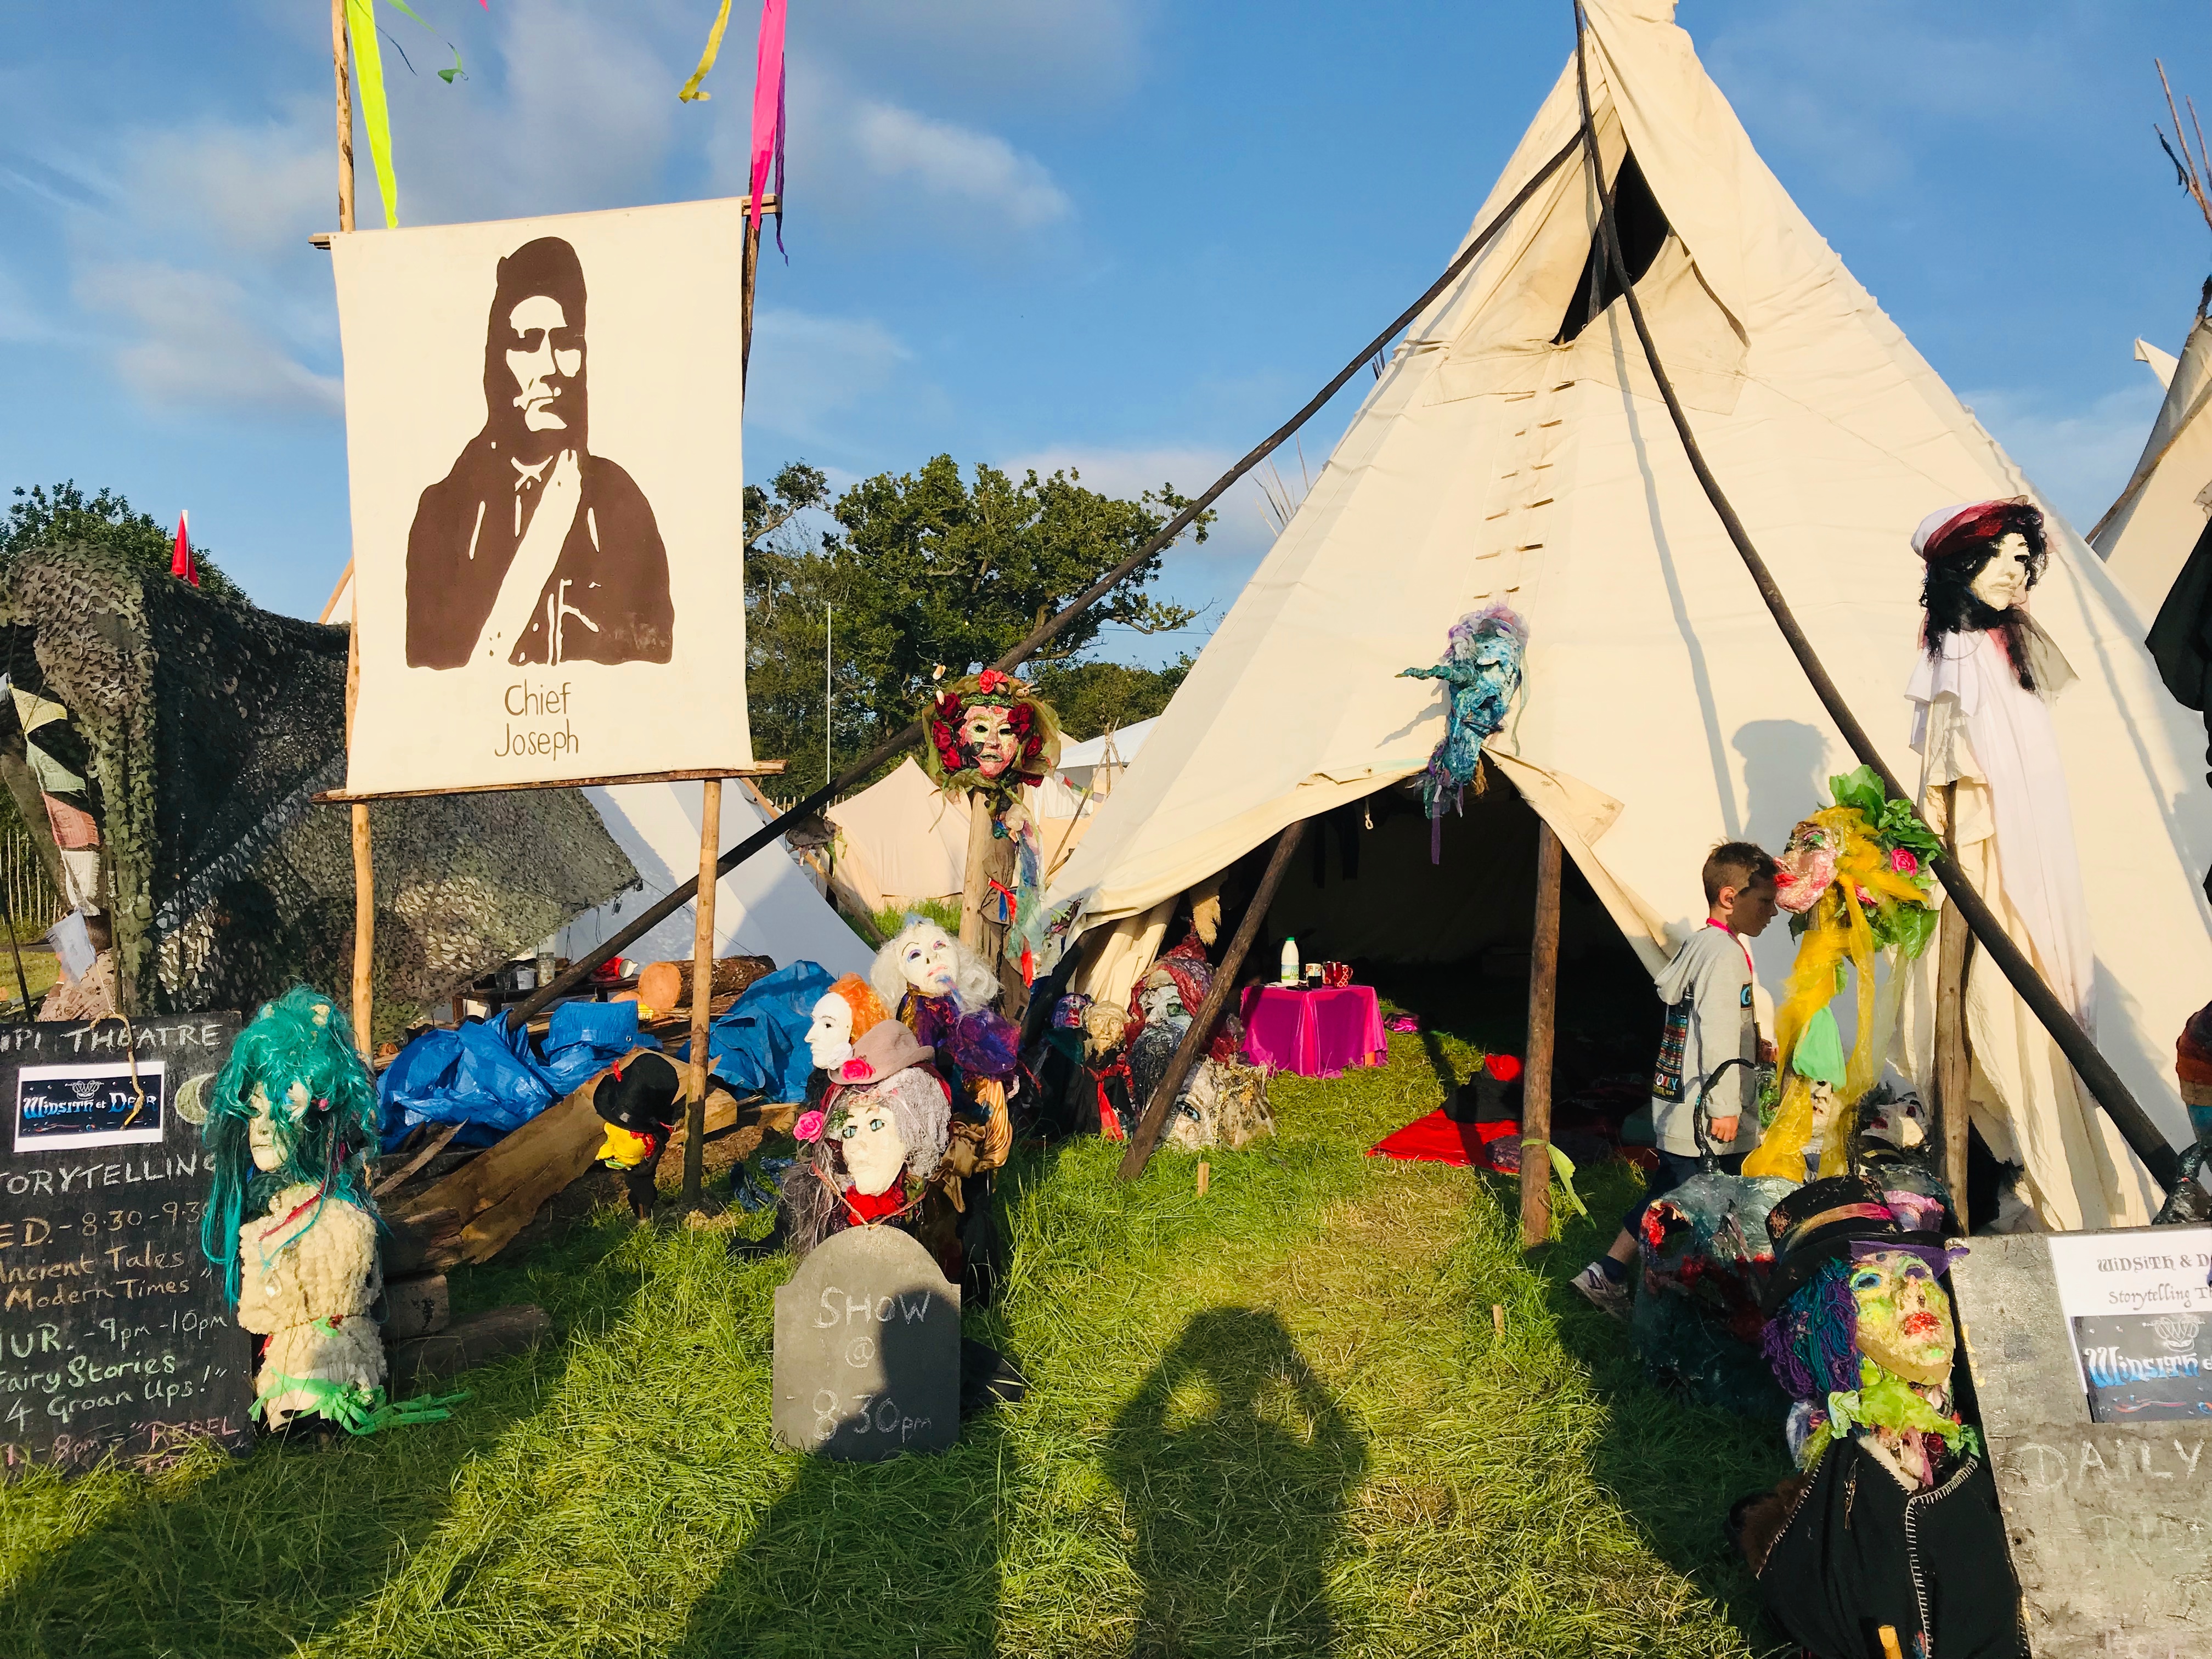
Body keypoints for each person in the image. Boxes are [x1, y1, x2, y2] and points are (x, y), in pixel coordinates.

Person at [405, 235, 674, 669]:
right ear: (497, 360)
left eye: (566, 341)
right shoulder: (444, 512)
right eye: (528, 342)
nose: (551, 366)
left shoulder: (620, 505)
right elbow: (423, 677)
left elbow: (656, 668)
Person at [1572, 840, 1778, 1320]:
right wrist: (1726, 1104)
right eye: (1764, 901)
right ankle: (1689, 1298)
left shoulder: (1704, 944)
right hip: (1705, 1112)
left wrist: (1754, 1043)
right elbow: (1719, 1035)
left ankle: (1609, 1274)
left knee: (1667, 1193)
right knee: (1695, 1208)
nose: (1771, 912)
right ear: (1730, 897)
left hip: (1679, 1102)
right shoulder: (1725, 956)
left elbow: (1712, 1024)